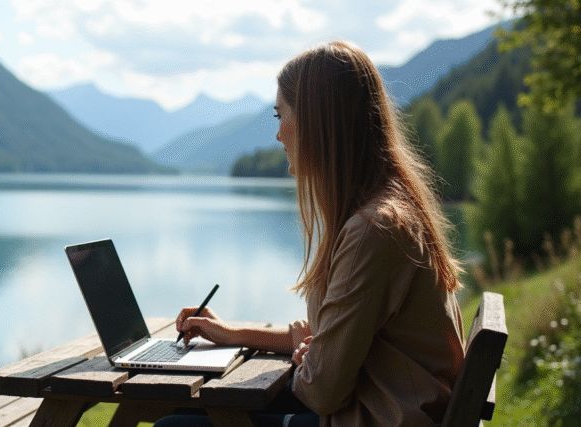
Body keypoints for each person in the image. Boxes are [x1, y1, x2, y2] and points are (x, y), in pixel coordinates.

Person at [155, 40, 466, 427]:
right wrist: (233, 332)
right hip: (390, 408)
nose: (279, 135)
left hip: (377, 418)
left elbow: (321, 391)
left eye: (280, 115)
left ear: (318, 121)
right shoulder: (386, 211)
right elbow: (328, 339)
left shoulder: (373, 230)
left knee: (177, 425)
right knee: (193, 411)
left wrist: (310, 360)